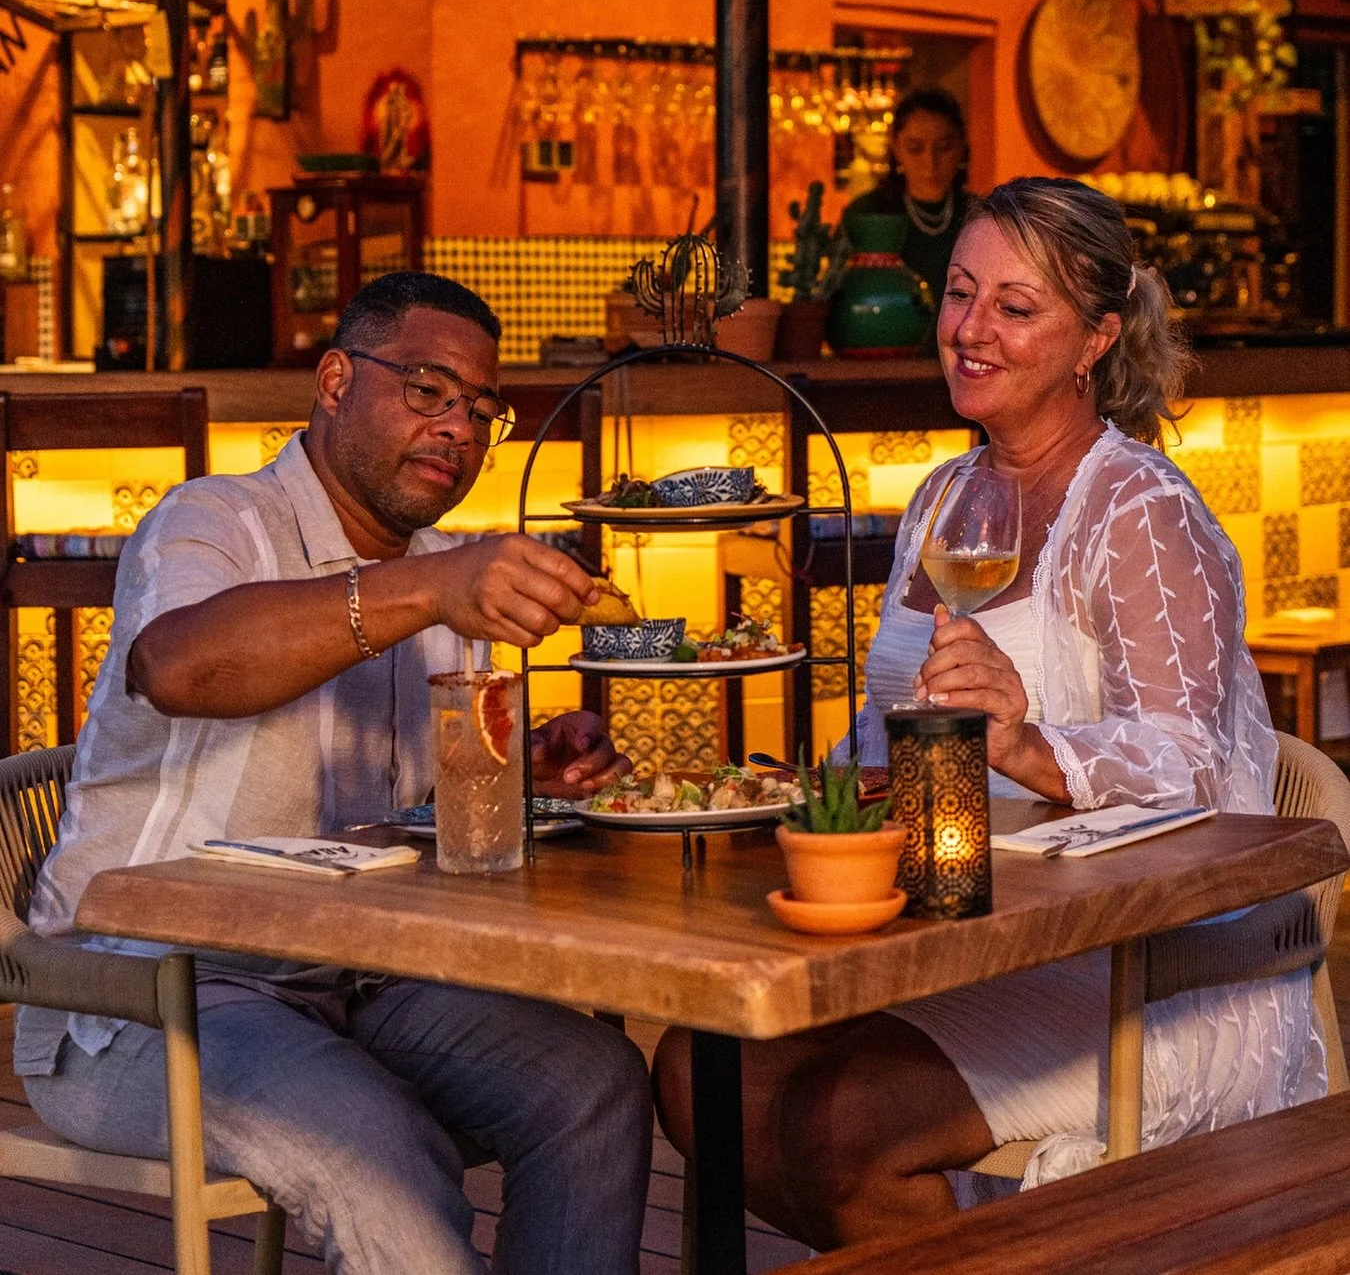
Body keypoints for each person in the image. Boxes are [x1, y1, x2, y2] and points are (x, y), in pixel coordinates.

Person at [654, 177, 1321, 1251]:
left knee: (836, 1125)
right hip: (952, 932)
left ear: (1095, 338)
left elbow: (1196, 767)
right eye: (961, 293)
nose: (970, 329)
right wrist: (801, 789)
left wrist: (1024, 743)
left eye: (1017, 307)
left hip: (1133, 961)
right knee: (700, 1069)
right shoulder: (942, 500)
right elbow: (891, 734)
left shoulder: (1142, 512)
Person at [19, 272, 652, 1275]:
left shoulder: (450, 573)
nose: (459, 428)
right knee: (381, 1156)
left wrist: (514, 774)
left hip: (358, 976)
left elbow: (406, 821)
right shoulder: (215, 521)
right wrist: (430, 585)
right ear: (334, 380)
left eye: (480, 409)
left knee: (594, 1083)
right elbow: (179, 666)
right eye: (429, 391)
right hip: (147, 994)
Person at [842, 87, 972, 301]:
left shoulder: (978, 216)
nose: (930, 163)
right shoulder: (869, 213)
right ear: (896, 148)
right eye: (915, 148)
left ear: (961, 146)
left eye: (943, 147)